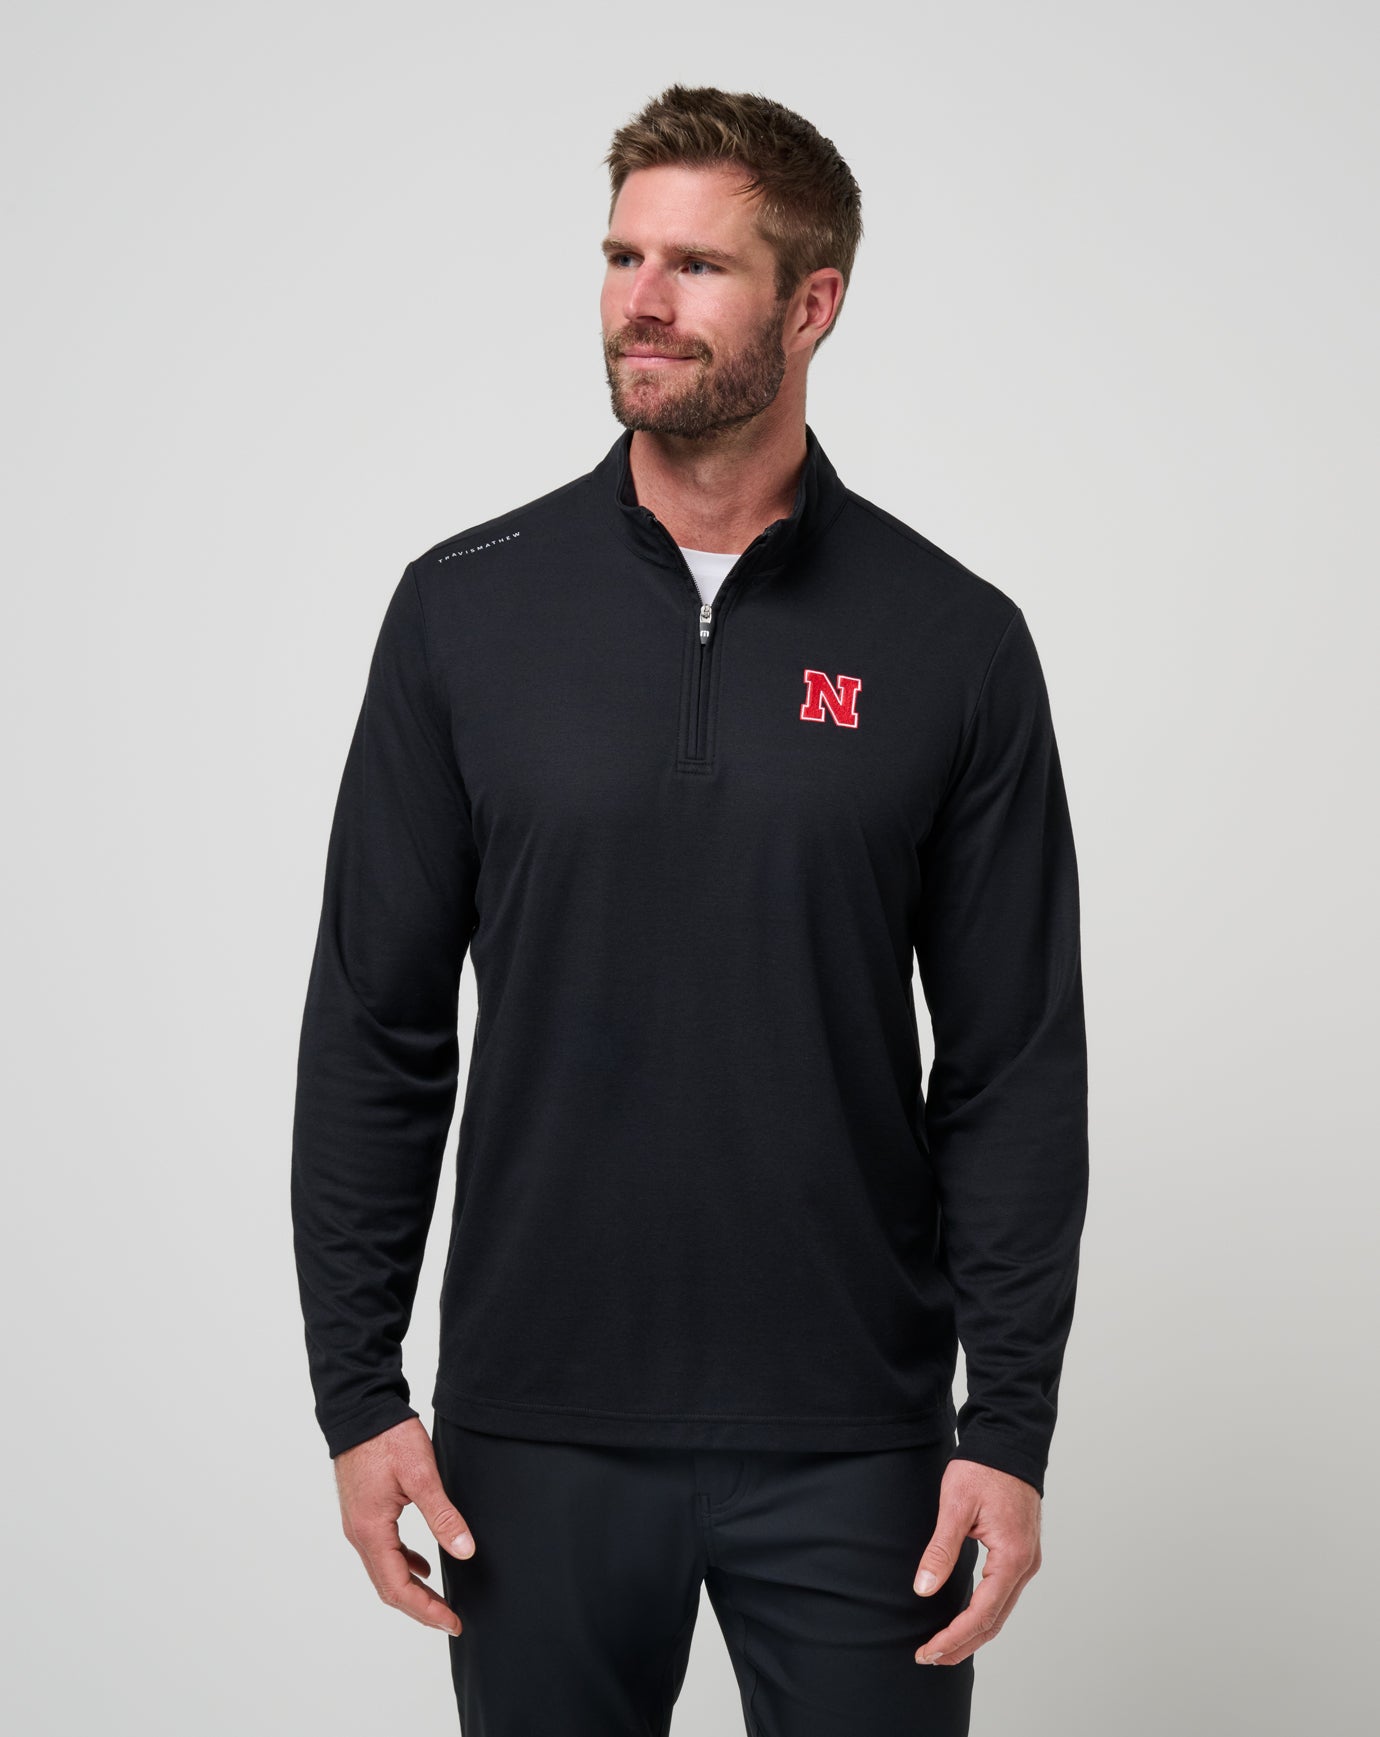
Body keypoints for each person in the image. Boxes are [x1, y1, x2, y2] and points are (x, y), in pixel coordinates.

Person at [291, 82, 1089, 1736]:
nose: (641, 301)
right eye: (621, 255)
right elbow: (376, 1023)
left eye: (697, 265)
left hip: (861, 1442)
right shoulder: (464, 611)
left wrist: (1007, 1423)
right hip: (532, 1431)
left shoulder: (954, 641)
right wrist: (357, 1393)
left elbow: (1013, 1063)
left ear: (813, 304)